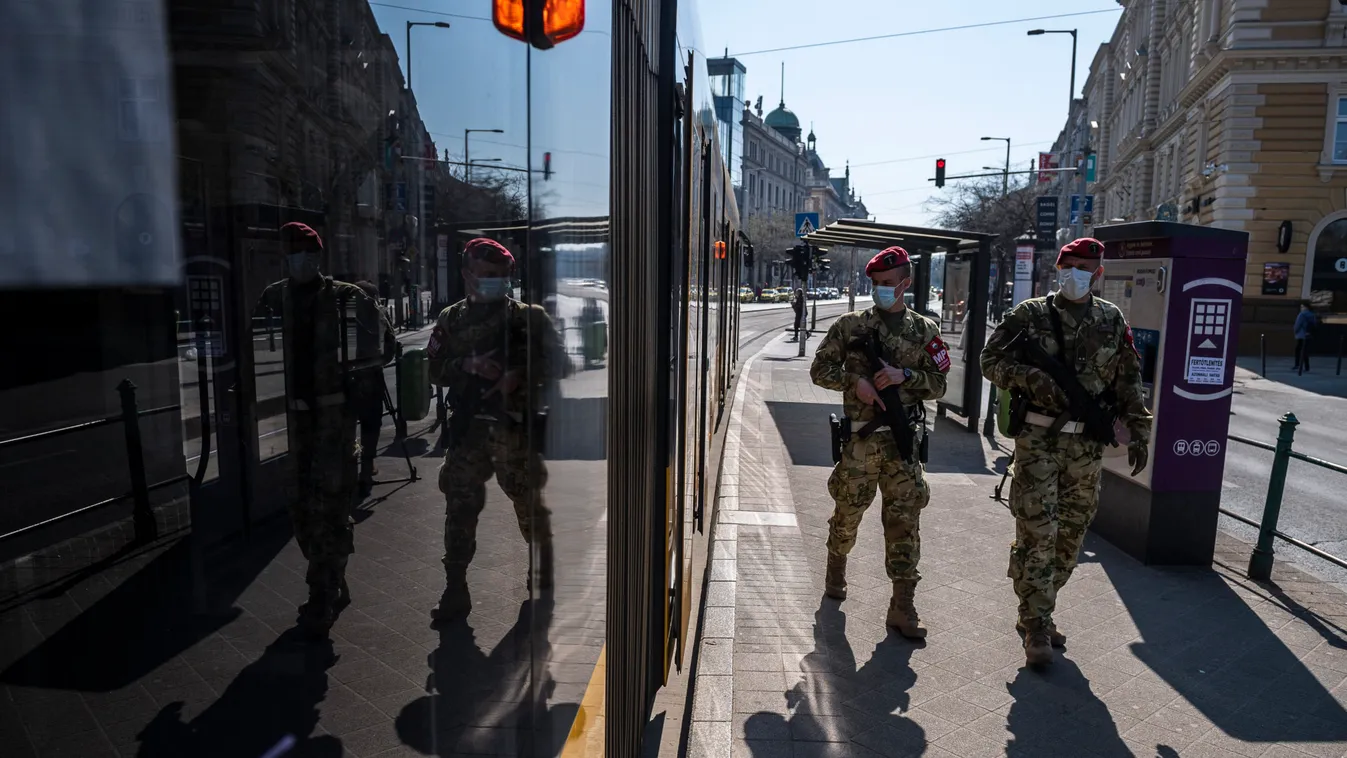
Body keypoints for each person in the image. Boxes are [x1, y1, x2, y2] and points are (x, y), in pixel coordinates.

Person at [980, 237, 1152, 666]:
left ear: (1098, 274)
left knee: (1070, 539)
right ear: (1060, 268)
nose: (1078, 274)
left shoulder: (1111, 319)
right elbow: (990, 360)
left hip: (1086, 449)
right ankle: (1036, 625)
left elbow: (1129, 379)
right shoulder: (1031, 315)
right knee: (1038, 534)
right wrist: (1031, 379)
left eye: (1087, 268)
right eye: (1071, 265)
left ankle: (1039, 607)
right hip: (1038, 442)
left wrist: (1141, 428)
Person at [256, 222, 395, 636]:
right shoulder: (273, 298)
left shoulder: (345, 298)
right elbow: (256, 349)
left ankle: (323, 592)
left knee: (330, 509)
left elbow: (385, 347)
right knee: (300, 510)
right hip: (294, 422)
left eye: (308, 251)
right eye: (294, 251)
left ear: (319, 256)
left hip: (334, 421)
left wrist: (354, 389)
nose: (301, 257)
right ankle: (333, 574)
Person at [809, 246, 950, 639]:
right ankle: (836, 566)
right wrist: (856, 382)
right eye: (876, 284)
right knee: (847, 515)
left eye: (888, 284)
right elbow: (819, 368)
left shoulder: (924, 330)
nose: (881, 290)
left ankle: (902, 605)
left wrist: (906, 375)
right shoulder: (850, 326)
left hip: (902, 445)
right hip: (860, 443)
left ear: (905, 283)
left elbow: (938, 384)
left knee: (905, 523)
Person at [426, 238, 563, 623]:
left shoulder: (528, 318)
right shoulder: (451, 319)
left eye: (502, 277)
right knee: (459, 508)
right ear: (467, 274)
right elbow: (433, 370)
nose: (495, 283)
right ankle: (455, 588)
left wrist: (520, 377)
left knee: (528, 505)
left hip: (514, 430)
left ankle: (540, 573)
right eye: (487, 276)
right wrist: (466, 365)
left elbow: (558, 366)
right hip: (468, 432)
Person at [351, 280, 397, 496]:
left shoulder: (344, 312)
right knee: (371, 425)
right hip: (371, 378)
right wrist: (379, 362)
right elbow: (391, 345)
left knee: (347, 425)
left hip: (346, 379)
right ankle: (366, 470)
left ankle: (348, 469)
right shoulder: (379, 313)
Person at [1293, 300, 1317, 372]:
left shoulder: (1302, 315)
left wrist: (1295, 331)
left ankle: (1297, 365)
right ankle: (1307, 366)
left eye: (1302, 307)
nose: (1301, 308)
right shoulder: (1312, 315)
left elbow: (1297, 325)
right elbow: (1314, 325)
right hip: (1308, 335)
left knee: (1298, 350)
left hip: (1301, 335)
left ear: (1306, 307)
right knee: (1305, 351)